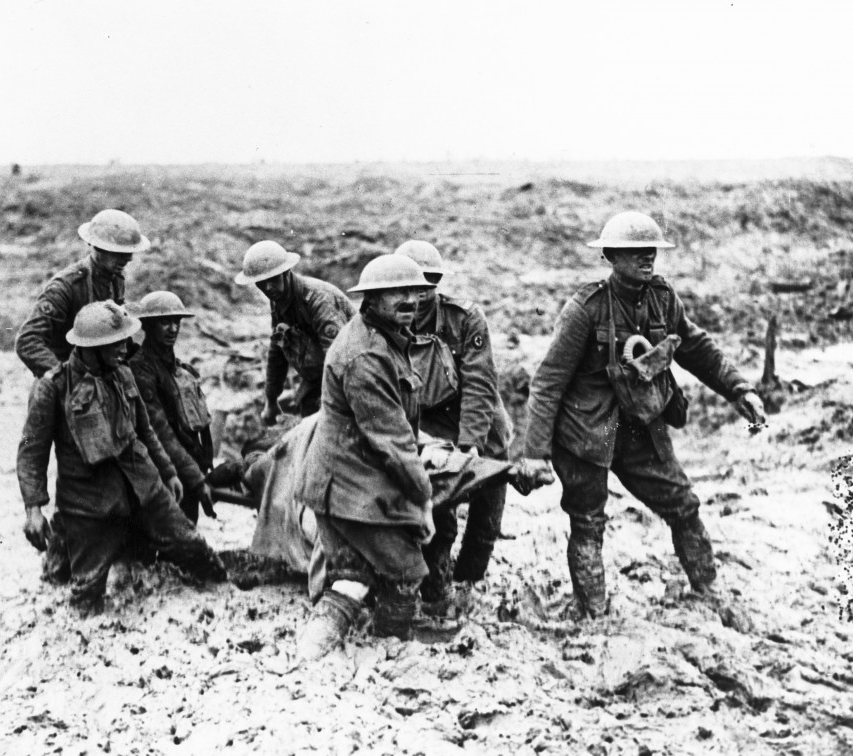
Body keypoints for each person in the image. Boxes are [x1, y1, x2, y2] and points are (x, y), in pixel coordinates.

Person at [517, 211, 766, 626]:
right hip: (584, 432)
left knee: (683, 504)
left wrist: (740, 389)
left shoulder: (663, 299)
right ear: (611, 256)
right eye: (635, 251)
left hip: (640, 426)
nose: (647, 257)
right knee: (588, 521)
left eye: (651, 250)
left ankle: (708, 591)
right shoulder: (585, 309)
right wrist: (535, 453)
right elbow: (547, 383)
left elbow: (697, 348)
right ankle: (593, 615)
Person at [294, 253, 460, 647]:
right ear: (371, 299)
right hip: (349, 486)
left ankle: (316, 652)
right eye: (396, 292)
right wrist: (423, 502)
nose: (409, 300)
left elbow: (398, 424)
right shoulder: (366, 354)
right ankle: (390, 644)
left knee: (354, 576)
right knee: (405, 572)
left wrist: (426, 448)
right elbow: (392, 441)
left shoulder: (386, 339)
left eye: (414, 291)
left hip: (351, 478)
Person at [17, 300, 224, 615]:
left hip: (146, 490)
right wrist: (33, 509)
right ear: (91, 348)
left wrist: (168, 472)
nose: (124, 348)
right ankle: (62, 554)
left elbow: (146, 430)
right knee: (86, 598)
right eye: (115, 343)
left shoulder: (124, 374)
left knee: (196, 551)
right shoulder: (53, 389)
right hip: (90, 507)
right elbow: (31, 451)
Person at [394, 240, 513, 614]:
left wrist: (471, 444)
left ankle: (469, 580)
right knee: (434, 505)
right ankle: (436, 586)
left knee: (487, 507)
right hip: (426, 421)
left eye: (428, 283)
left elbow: (479, 383)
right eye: (411, 284)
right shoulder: (388, 323)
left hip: (478, 419)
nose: (420, 293)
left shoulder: (465, 320)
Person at [16, 208, 151, 378]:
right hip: (70, 379)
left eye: (130, 252)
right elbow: (28, 341)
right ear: (98, 247)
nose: (129, 259)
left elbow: (116, 330)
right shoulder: (65, 287)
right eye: (119, 253)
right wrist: (63, 377)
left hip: (101, 375)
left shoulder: (116, 279)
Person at [234, 240, 355, 423]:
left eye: (273, 279)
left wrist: (330, 403)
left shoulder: (319, 300)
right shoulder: (279, 301)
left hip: (350, 376)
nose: (268, 288)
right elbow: (277, 351)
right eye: (261, 283)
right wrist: (271, 400)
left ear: (286, 273)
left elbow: (338, 359)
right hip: (318, 377)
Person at [128, 291, 217, 525]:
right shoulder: (140, 370)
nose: (173, 329)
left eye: (177, 321)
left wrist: (203, 466)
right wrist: (196, 478)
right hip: (162, 472)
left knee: (188, 529)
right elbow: (160, 431)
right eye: (165, 322)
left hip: (186, 468)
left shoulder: (178, 369)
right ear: (147, 325)